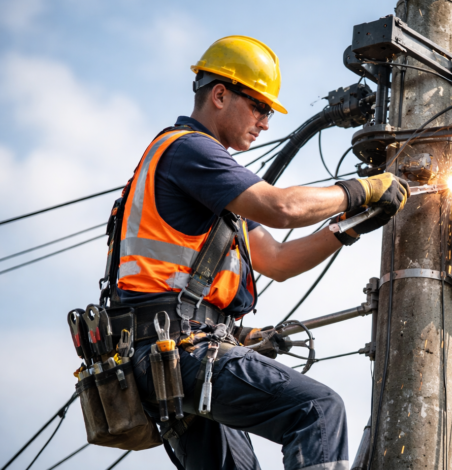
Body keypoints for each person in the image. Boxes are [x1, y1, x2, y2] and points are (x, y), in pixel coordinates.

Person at [107, 36, 408, 470]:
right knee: (318, 411)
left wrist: (346, 229)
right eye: (260, 107)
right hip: (175, 348)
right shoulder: (189, 151)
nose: (265, 122)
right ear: (220, 94)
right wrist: (359, 190)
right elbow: (281, 208)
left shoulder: (211, 186)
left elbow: (276, 262)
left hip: (168, 354)